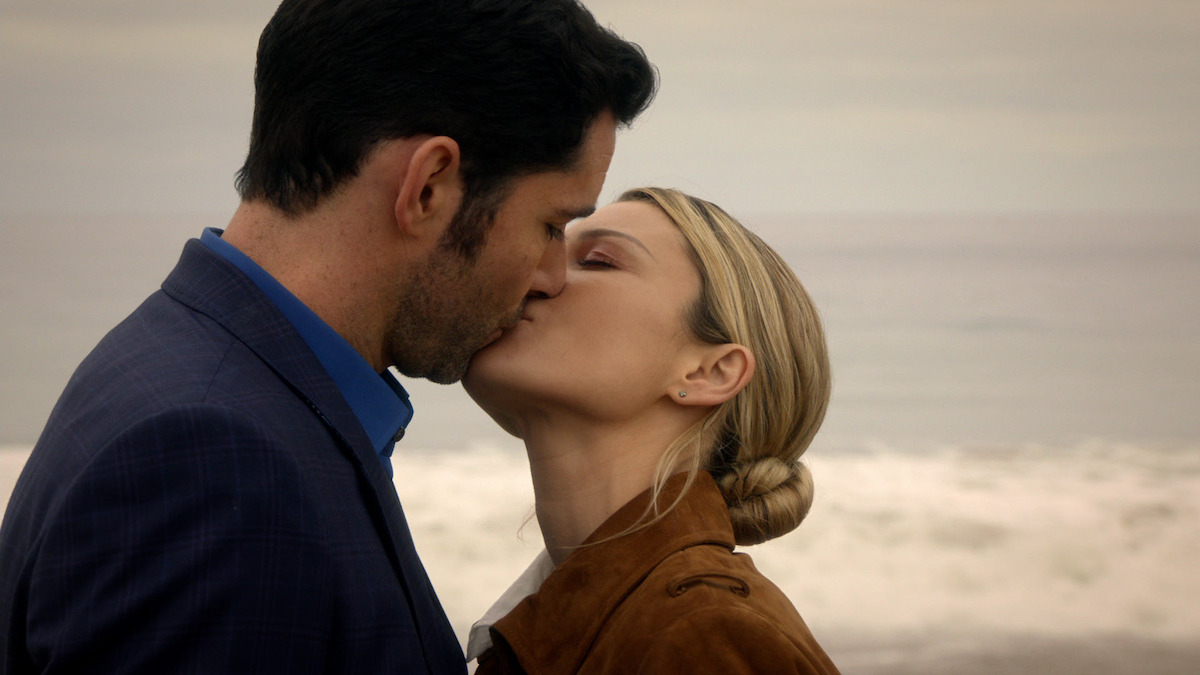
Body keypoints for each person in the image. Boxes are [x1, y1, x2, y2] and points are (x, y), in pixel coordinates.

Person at [0, 1, 655, 672]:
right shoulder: (219, 462)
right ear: (428, 186)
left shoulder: (203, 377)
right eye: (550, 225)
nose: (553, 275)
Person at [462, 187, 840, 674]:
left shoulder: (707, 634)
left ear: (710, 372)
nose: (537, 274)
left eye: (597, 261)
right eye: (546, 245)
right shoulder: (559, 626)